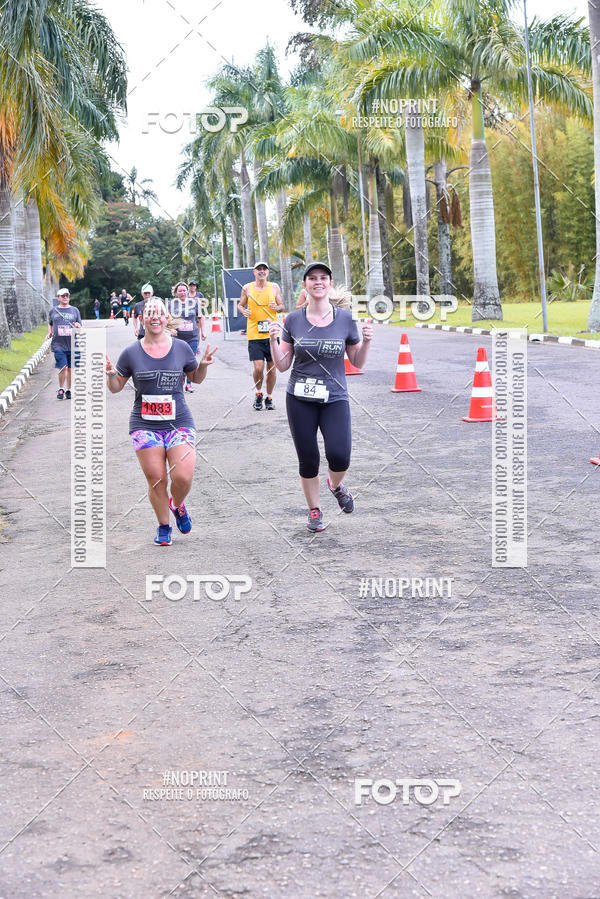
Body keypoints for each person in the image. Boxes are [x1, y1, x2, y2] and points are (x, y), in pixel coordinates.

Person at [268, 262, 373, 532]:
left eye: (323, 278)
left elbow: (357, 362)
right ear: (304, 285)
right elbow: (282, 366)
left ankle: (335, 485)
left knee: (340, 456)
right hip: (300, 397)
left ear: (329, 284)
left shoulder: (345, 319)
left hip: (335, 396)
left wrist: (367, 341)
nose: (318, 282)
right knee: (308, 458)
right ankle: (314, 509)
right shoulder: (293, 319)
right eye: (312, 278)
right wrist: (273, 340)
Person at [105, 297, 217, 545]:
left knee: (183, 477)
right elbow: (115, 388)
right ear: (142, 318)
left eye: (160, 313)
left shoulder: (180, 348)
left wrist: (204, 365)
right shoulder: (131, 352)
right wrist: (111, 373)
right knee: (157, 478)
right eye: (150, 313)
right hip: (145, 425)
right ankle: (164, 526)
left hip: (179, 421)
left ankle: (177, 504)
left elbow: (195, 378)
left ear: (167, 318)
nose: (155, 317)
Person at [238, 262, 285, 410]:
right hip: (254, 333)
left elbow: (281, 306)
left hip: (271, 333)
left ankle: (269, 397)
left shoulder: (274, 287)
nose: (262, 271)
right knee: (258, 368)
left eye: (264, 269)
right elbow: (240, 305)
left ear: (268, 272)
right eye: (259, 269)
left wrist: (277, 308)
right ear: (254, 272)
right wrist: (243, 311)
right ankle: (259, 393)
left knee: (271, 368)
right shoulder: (247, 288)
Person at [167, 281, 207, 393]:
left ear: (187, 291)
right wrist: (170, 329)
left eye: (184, 290)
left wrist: (203, 331)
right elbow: (166, 319)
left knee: (191, 360)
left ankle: (188, 384)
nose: (182, 292)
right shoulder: (171, 304)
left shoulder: (194, 303)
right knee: (178, 360)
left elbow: (201, 317)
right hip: (177, 337)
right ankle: (182, 378)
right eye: (180, 290)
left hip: (192, 336)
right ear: (176, 292)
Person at [46, 287, 83, 399]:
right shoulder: (53, 310)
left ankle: (68, 390)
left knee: (71, 369)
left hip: (73, 344)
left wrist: (77, 326)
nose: (65, 297)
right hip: (58, 344)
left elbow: (80, 326)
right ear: (58, 298)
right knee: (63, 367)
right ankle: (61, 388)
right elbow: (50, 323)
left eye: (67, 295)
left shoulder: (75, 310)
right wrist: (49, 333)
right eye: (63, 296)